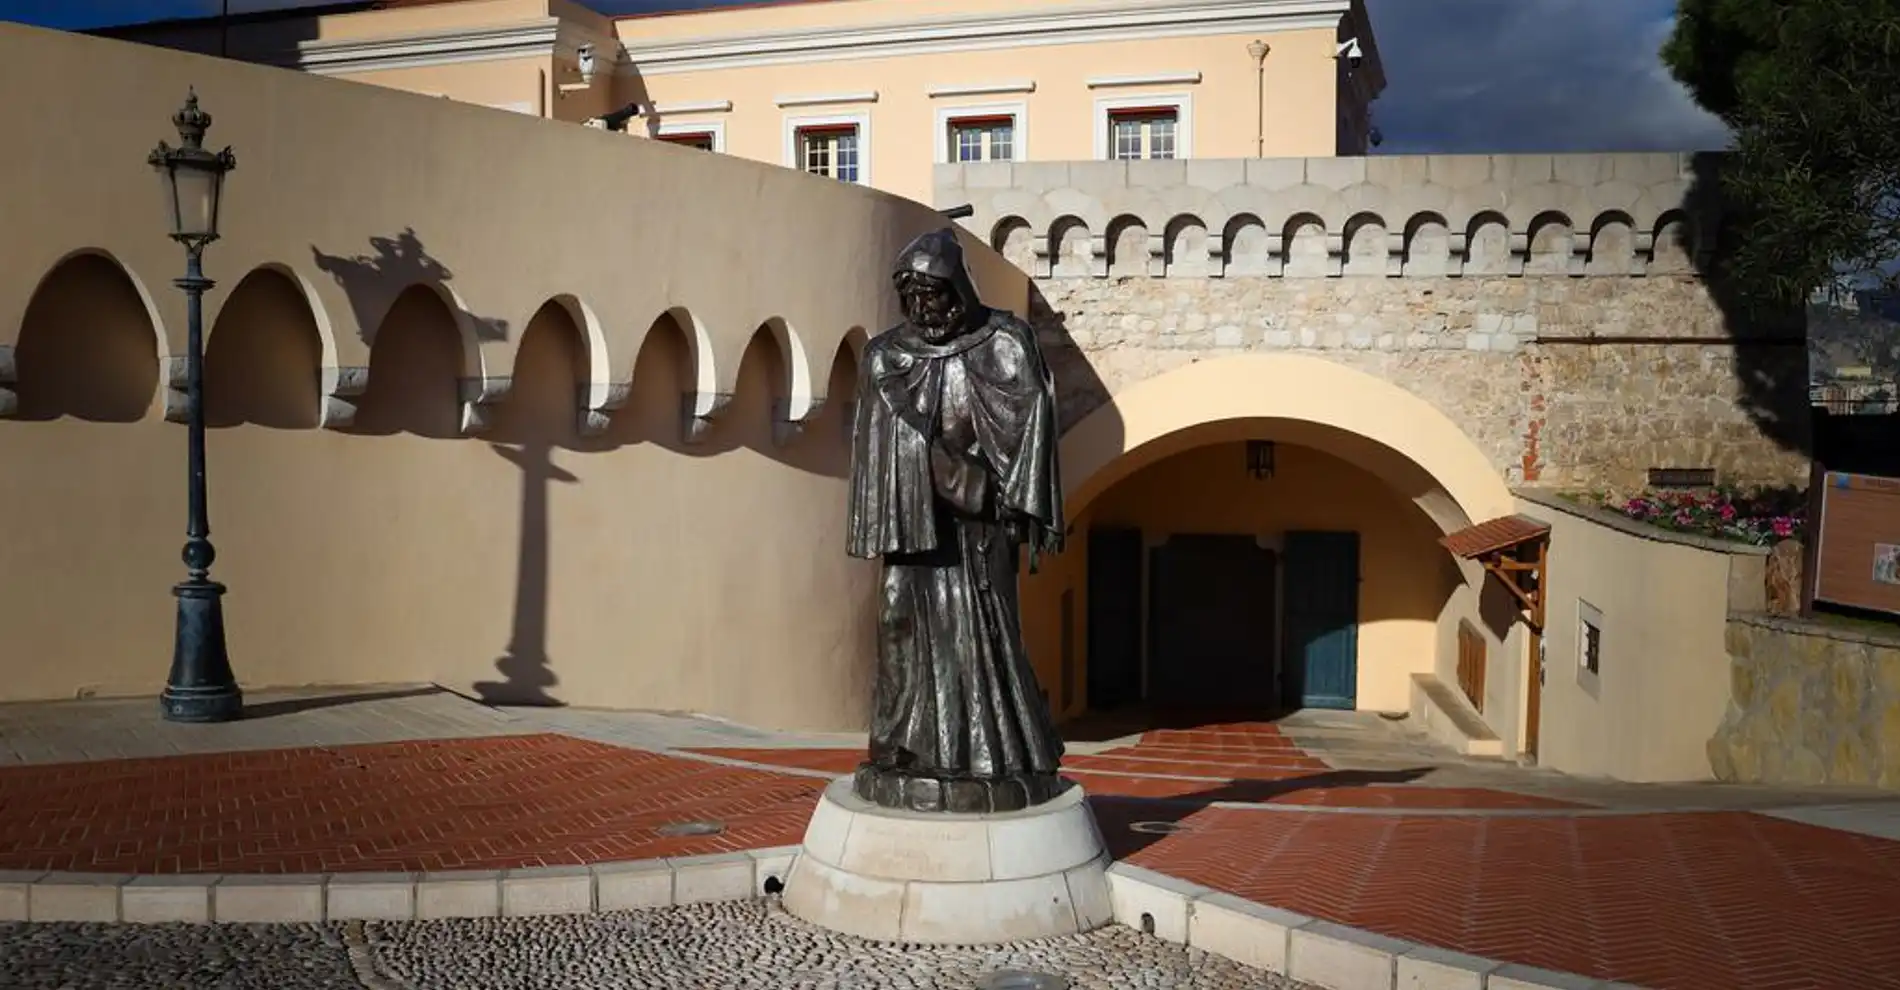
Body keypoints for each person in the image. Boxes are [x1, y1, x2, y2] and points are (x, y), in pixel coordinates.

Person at [843, 228, 1068, 814]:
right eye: (912, 299)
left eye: (934, 297)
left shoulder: (1006, 342)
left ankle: (995, 756)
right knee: (898, 621)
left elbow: (1032, 420)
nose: (924, 311)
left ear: (959, 290)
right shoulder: (886, 355)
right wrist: (929, 461)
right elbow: (875, 442)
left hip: (980, 527)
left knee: (980, 632)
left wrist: (987, 488)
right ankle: (901, 748)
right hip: (912, 522)